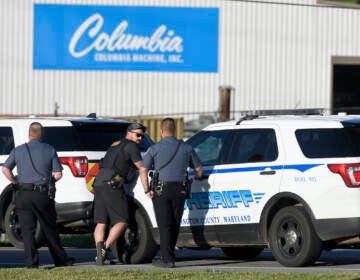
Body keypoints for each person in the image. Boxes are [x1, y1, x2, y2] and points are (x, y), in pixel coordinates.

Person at [1, 122, 74, 268]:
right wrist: (49, 181)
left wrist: (15, 182)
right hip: (42, 195)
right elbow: (58, 174)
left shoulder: (19, 150)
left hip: (23, 194)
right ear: (42, 135)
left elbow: (5, 169)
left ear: (29, 135)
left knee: (27, 231)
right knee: (49, 228)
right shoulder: (49, 149)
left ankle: (31, 263)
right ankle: (61, 260)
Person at [140, 117, 202, 268]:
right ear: (174, 131)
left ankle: (167, 259)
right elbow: (198, 169)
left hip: (161, 190)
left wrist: (147, 189)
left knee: (164, 224)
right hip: (180, 189)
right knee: (175, 223)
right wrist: (199, 179)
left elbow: (143, 170)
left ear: (161, 131)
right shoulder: (186, 147)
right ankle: (169, 256)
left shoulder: (154, 149)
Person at [93, 122, 146, 265]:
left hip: (98, 183)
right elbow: (142, 167)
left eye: (142, 136)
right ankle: (104, 248)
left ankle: (99, 255)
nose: (140, 138)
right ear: (129, 133)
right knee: (122, 221)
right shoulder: (131, 146)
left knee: (101, 222)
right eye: (138, 135)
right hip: (112, 185)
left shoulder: (115, 144)